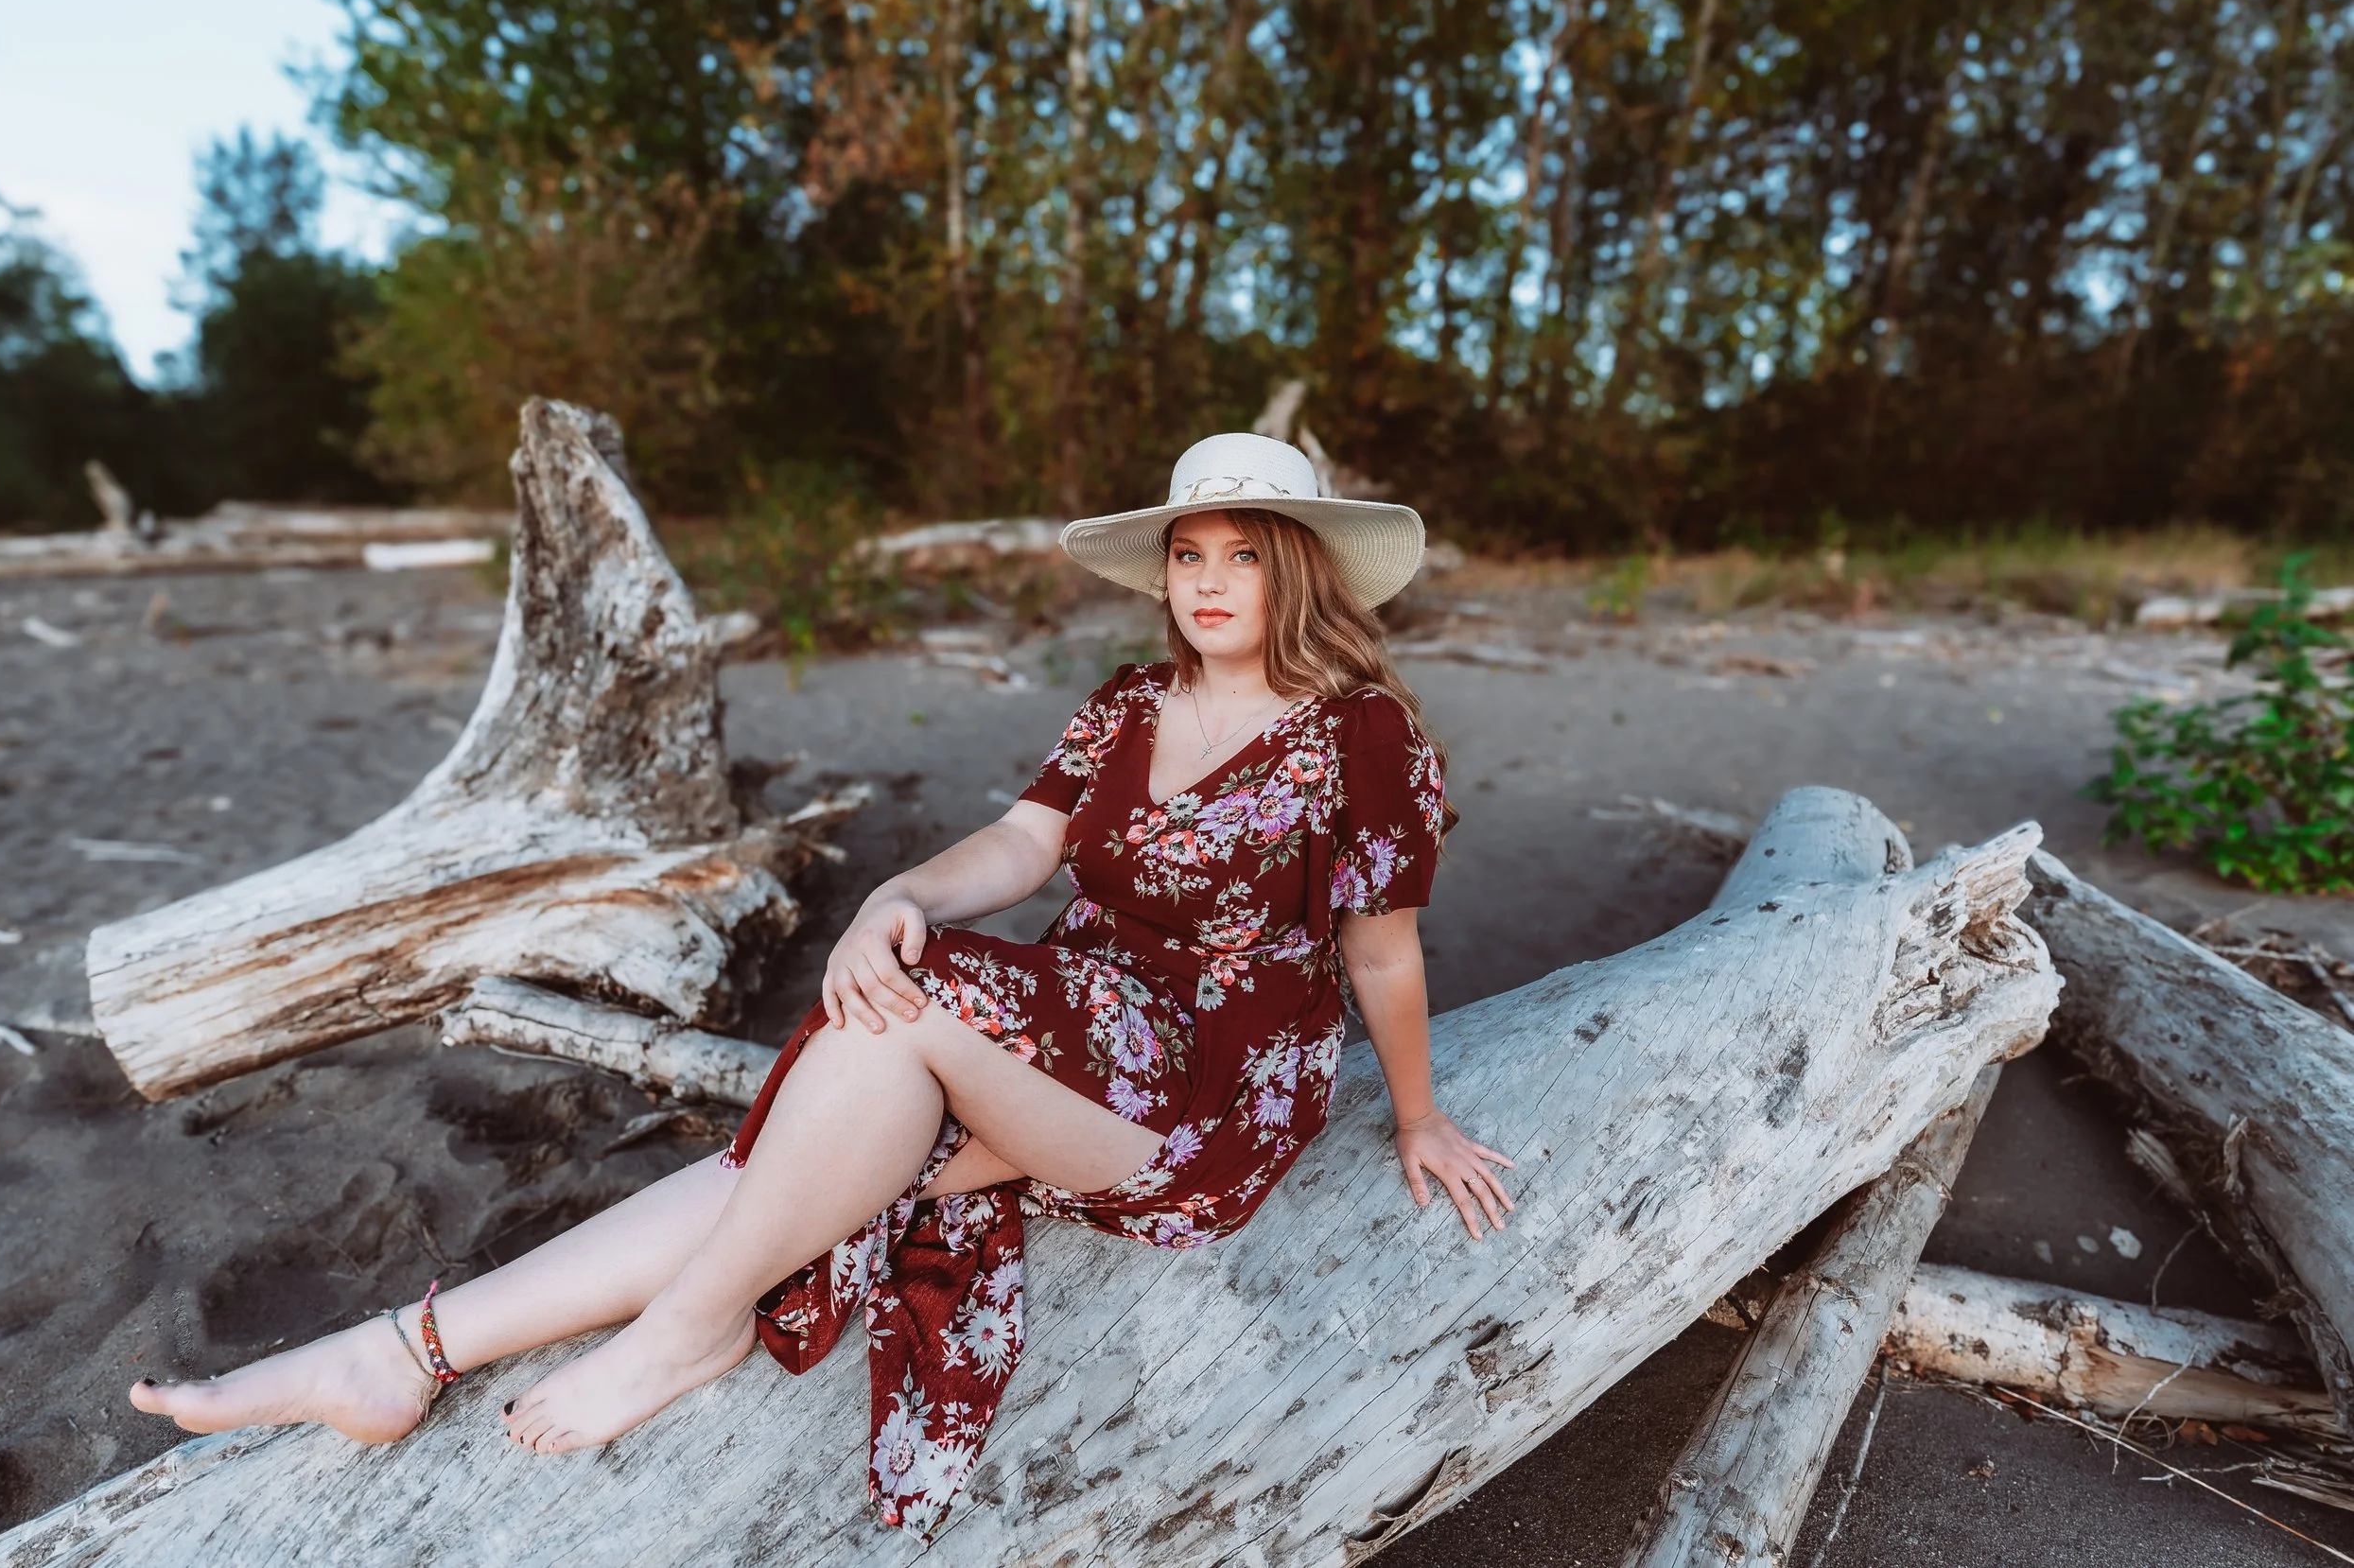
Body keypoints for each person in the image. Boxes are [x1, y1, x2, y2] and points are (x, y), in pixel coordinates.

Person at [131, 430, 1514, 1536]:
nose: (1209, 581)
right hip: (1074, 1033)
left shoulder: (1363, 737)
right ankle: (403, 1352)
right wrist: (896, 897)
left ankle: (686, 1325)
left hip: (1204, 1100)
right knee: (841, 1099)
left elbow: (1381, 953)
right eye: (1189, 552)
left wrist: (1415, 1118)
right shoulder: (1129, 705)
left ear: (1305, 573)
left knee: (893, 1031)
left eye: (1247, 556)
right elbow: (1027, 845)